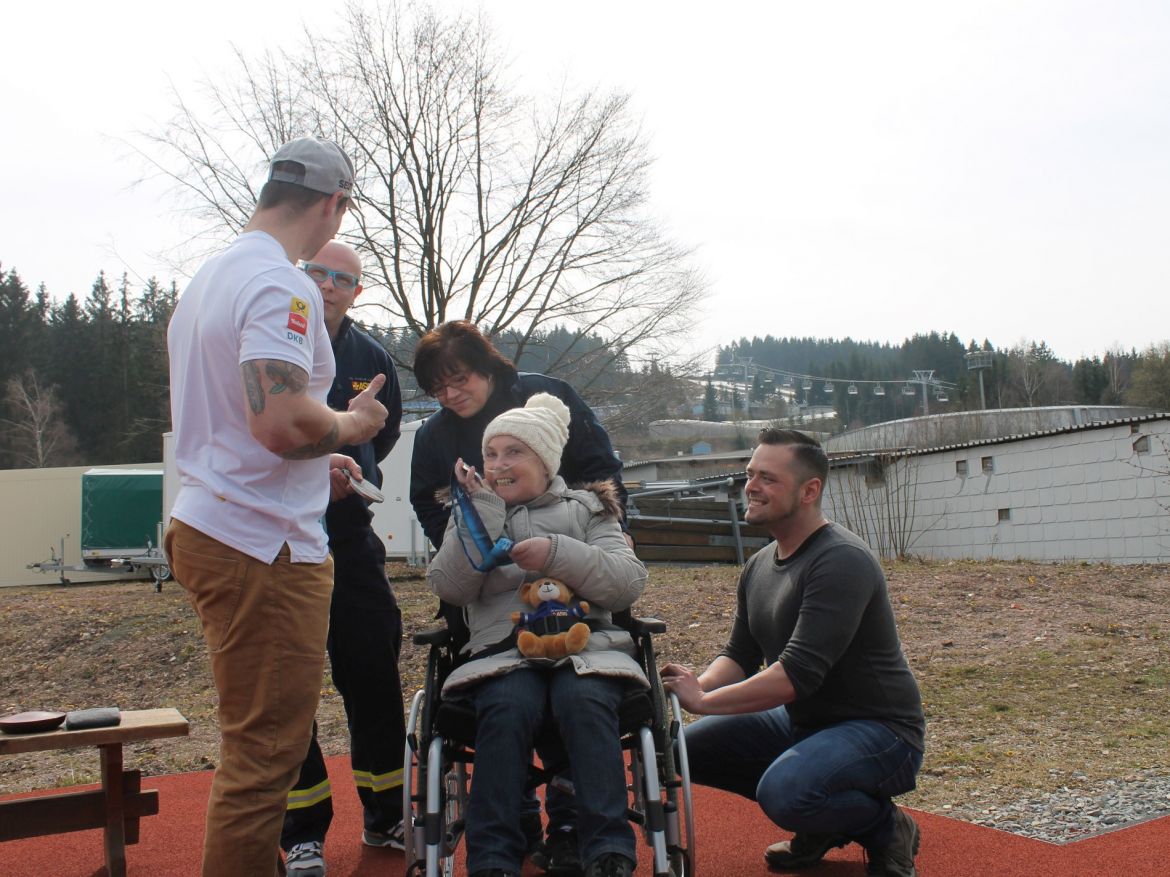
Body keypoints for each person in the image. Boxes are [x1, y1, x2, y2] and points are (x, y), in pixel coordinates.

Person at [165, 136, 389, 877]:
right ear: (334, 205)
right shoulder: (281, 286)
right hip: (262, 546)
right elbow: (283, 420)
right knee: (264, 762)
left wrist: (308, 456)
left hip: (215, 519)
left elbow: (244, 425)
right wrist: (351, 426)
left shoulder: (209, 279)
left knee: (252, 752)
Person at [409, 319, 631, 873]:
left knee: (581, 699)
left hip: (582, 631)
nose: (449, 394)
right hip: (499, 635)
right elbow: (445, 564)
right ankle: (497, 853)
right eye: (438, 388)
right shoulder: (442, 450)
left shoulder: (586, 504)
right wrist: (475, 529)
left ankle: (595, 841)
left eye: (458, 380)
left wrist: (561, 544)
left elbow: (622, 571)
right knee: (509, 703)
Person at [661, 429, 926, 877]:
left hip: (880, 730)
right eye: (750, 474)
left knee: (786, 793)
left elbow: (795, 675)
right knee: (683, 750)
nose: (751, 486)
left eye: (768, 478)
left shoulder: (841, 560)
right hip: (803, 721)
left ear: (809, 491)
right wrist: (691, 687)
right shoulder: (759, 566)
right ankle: (822, 818)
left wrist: (703, 702)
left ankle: (886, 827)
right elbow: (739, 654)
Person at [280, 241, 406, 876]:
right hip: (277, 543)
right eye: (318, 272)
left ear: (359, 292)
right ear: (299, 276)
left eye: (345, 279)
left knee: (375, 676)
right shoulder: (273, 340)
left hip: (350, 540)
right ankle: (302, 832)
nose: (330, 285)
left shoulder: (372, 358)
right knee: (289, 691)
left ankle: (387, 815)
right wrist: (311, 467)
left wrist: (348, 464)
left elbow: (378, 432)